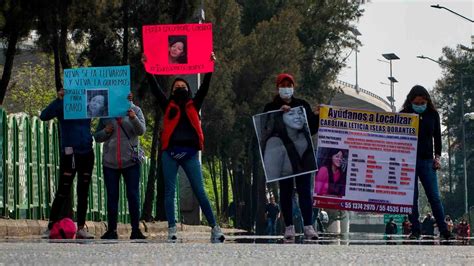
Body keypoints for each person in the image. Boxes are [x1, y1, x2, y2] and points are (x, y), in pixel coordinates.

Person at [143, 52, 224, 242]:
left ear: (188, 90)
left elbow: (204, 88)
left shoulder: (194, 104)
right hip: (170, 153)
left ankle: (215, 227)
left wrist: (210, 66)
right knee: (169, 192)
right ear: (172, 92)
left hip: (190, 153)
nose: (180, 87)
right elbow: (155, 89)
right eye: (177, 86)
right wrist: (147, 67)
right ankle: (171, 229)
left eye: (183, 86)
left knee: (200, 190)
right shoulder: (167, 104)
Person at [263, 73, 319, 241]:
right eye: (283, 85)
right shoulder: (270, 106)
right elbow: (265, 128)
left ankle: (308, 226)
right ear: (278, 87)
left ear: (293, 87)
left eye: (289, 85)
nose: (286, 88)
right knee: (286, 192)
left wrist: (317, 115)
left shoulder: (302, 105)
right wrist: (278, 113)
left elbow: (312, 129)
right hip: (283, 156)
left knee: (304, 191)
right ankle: (289, 227)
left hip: (303, 156)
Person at [40, 88, 95, 239]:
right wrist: (59, 100)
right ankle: (51, 226)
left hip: (87, 152)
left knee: (83, 191)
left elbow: (112, 106)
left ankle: (81, 228)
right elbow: (44, 116)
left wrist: (126, 100)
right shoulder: (63, 105)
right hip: (69, 153)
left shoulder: (89, 104)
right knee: (63, 190)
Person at [400, 85, 451, 240]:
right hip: (408, 161)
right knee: (411, 197)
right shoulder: (404, 114)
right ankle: (415, 230)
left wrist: (437, 157)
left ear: (427, 101)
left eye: (423, 102)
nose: (420, 105)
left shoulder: (433, 114)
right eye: (417, 102)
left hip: (427, 161)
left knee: (434, 197)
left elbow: (437, 137)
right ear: (411, 101)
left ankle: (444, 230)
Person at [94, 94, 147, 240]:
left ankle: (135, 229)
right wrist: (106, 131)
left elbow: (141, 131)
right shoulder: (106, 113)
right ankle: (112, 230)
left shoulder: (135, 110)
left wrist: (133, 117)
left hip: (131, 162)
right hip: (110, 163)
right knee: (112, 197)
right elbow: (97, 137)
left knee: (133, 195)